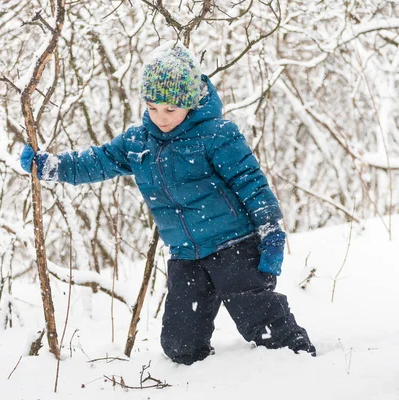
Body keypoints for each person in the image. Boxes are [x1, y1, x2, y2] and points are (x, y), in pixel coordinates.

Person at [20, 41, 316, 365]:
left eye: (170, 109)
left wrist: (272, 233)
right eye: (153, 107)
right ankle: (210, 378)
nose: (160, 117)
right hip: (186, 255)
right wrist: (53, 167)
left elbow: (253, 185)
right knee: (179, 346)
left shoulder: (217, 135)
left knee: (262, 323)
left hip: (234, 246)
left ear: (189, 103)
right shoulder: (138, 142)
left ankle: (301, 364)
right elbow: (97, 160)